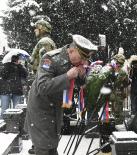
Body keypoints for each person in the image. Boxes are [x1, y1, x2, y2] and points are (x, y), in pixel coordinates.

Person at [24, 34, 97, 155]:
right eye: (82, 58)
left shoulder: (74, 61)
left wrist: (82, 76)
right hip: (41, 109)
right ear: (72, 50)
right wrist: (67, 76)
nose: (83, 62)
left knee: (52, 144)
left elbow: (76, 84)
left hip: (56, 108)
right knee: (43, 146)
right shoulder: (49, 59)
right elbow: (43, 87)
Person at [28, 19, 57, 154]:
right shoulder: (46, 42)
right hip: (42, 83)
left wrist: (41, 81)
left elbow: (45, 64)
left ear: (42, 28)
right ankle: (42, 146)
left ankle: (41, 147)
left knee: (40, 119)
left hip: (41, 85)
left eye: (36, 27)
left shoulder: (44, 42)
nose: (35, 30)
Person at [0, 55, 28, 119]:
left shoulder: (20, 67)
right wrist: (8, 66)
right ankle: (4, 124)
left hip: (16, 90)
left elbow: (25, 74)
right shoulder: (6, 66)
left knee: (18, 109)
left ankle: (15, 124)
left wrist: (20, 66)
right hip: (6, 90)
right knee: (4, 109)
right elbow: (3, 75)